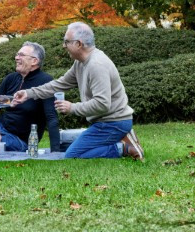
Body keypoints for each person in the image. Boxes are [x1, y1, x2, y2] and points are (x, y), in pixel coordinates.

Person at [12, 22, 144, 160]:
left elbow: (102, 103)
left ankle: (124, 148)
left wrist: (72, 107)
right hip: (102, 123)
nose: (64, 46)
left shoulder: (97, 65)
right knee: (65, 145)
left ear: (78, 44)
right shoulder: (80, 63)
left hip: (113, 124)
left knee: (73, 154)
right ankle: (121, 139)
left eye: (66, 42)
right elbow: (60, 84)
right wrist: (28, 93)